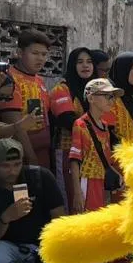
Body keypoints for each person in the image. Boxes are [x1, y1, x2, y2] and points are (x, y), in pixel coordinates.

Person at [68, 77, 125, 263]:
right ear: (91, 98)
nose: (111, 100)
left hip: (99, 181)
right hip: (86, 180)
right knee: (88, 226)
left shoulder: (103, 126)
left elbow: (106, 158)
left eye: (112, 96)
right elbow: (74, 160)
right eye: (107, 96)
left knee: (97, 226)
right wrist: (76, 193)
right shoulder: (81, 125)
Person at [0, 29, 52, 170]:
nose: (40, 59)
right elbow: (13, 122)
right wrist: (31, 157)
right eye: (35, 53)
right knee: (21, 192)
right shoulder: (10, 80)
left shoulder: (39, 80)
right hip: (19, 157)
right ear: (20, 53)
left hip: (43, 153)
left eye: (44, 54)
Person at [48, 46, 95, 205]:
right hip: (67, 151)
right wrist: (97, 129)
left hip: (93, 152)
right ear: (72, 66)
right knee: (71, 199)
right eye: (80, 62)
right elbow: (68, 120)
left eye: (89, 62)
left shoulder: (96, 90)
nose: (85, 66)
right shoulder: (61, 89)